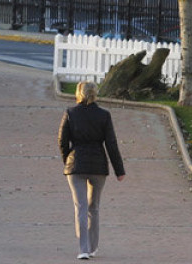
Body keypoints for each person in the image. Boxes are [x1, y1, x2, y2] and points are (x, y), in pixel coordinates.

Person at [58, 81, 126, 260]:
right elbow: (111, 144)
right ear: (95, 94)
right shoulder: (104, 115)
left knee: (80, 207)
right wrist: (119, 170)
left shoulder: (70, 113)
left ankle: (83, 249)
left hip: (76, 164)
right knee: (93, 207)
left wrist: (68, 160)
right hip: (98, 166)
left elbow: (62, 141)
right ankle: (93, 247)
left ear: (79, 93)